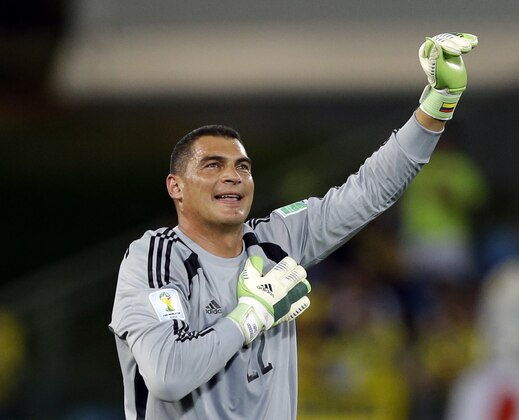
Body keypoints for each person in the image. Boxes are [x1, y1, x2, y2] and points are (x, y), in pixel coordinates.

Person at [109, 32, 478, 419]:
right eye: (213, 165)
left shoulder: (274, 241)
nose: (233, 176)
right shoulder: (154, 260)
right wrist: (252, 314)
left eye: (243, 168)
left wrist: (438, 103)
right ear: (176, 187)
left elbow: (368, 191)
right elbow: (168, 374)